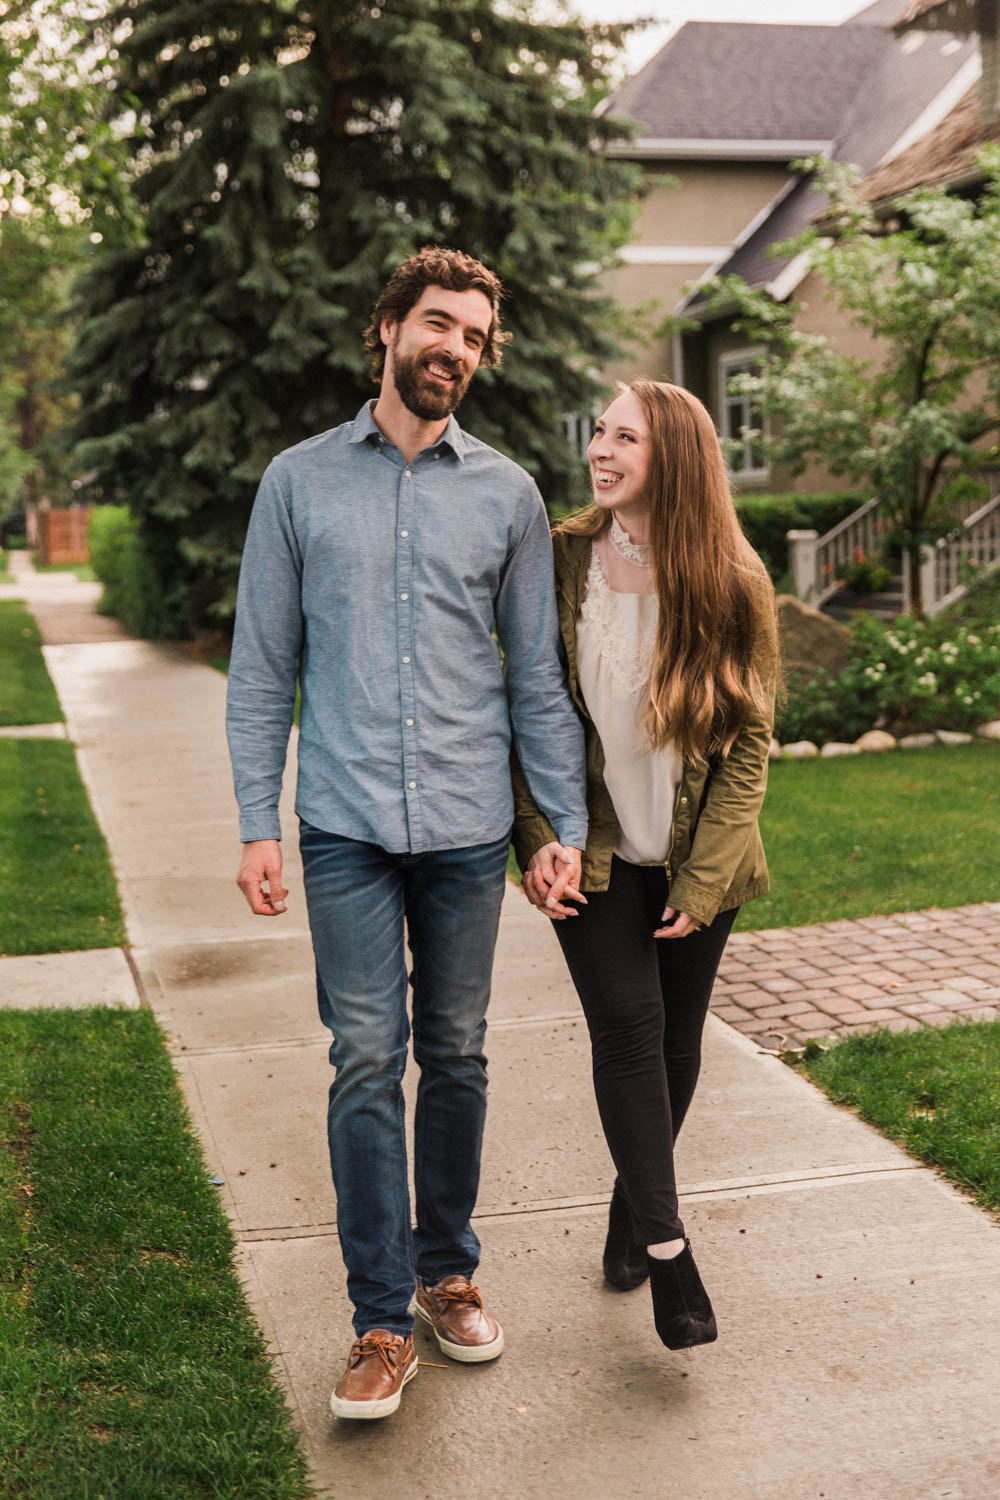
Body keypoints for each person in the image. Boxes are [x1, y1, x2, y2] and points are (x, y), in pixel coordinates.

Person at [225, 247, 587, 1419]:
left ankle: (447, 1274)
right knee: (367, 1059)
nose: (455, 349)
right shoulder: (297, 482)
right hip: (341, 824)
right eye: (438, 325)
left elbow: (534, 674)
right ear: (386, 329)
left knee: (463, 1053)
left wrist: (559, 822)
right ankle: (380, 1319)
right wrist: (253, 822)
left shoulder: (509, 495)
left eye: (475, 337)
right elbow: (261, 667)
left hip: (471, 827)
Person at [513, 379, 777, 1351]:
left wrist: (705, 884)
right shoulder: (563, 560)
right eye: (598, 431)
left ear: (672, 456)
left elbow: (749, 742)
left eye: (625, 435)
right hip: (601, 855)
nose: (600, 448)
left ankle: (631, 1214)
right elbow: (528, 711)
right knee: (628, 1029)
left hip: (698, 858)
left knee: (675, 1046)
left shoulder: (731, 578)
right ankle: (670, 1256)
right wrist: (537, 837)